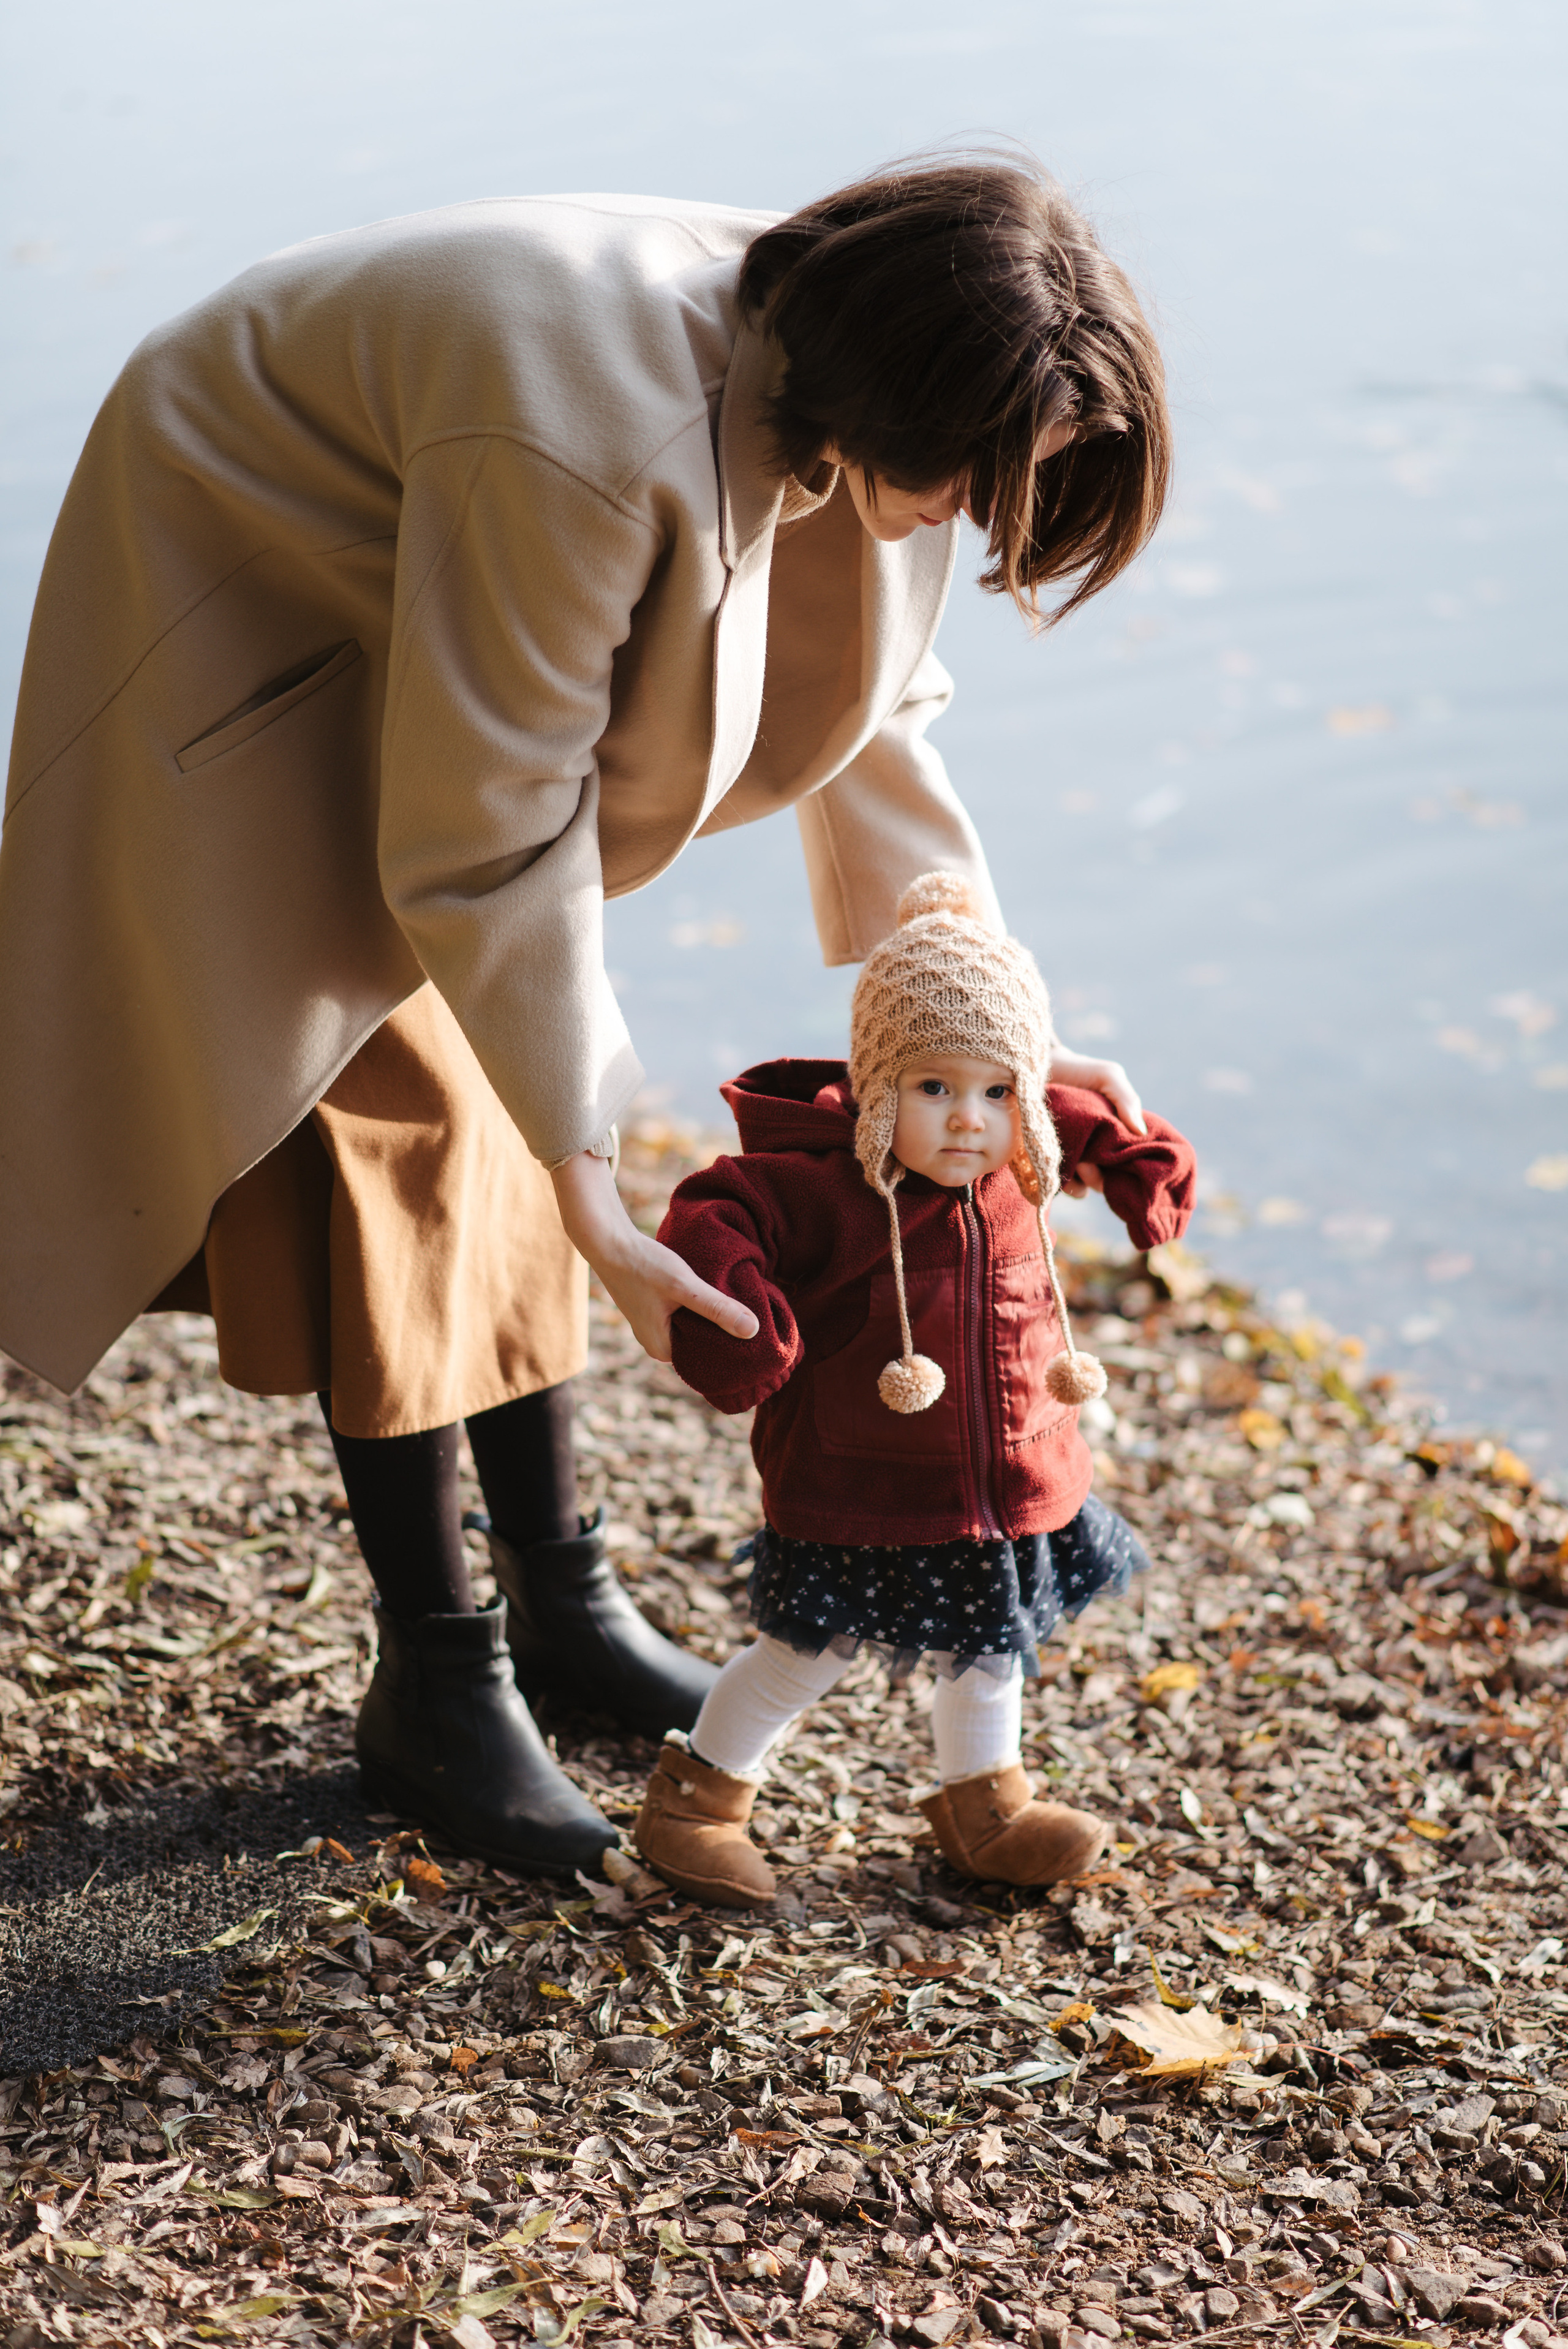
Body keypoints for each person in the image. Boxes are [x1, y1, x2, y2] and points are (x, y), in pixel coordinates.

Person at [0, 159, 1170, 1877]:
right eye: (975, 487)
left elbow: (884, 721)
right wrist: (589, 1169)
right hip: (253, 563)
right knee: (399, 1122)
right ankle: (440, 1671)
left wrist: (994, 1031)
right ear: (899, 399)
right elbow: (489, 833)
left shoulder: (869, 375)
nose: (973, 528)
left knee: (527, 1093)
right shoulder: (582, 425)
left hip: (449, 540)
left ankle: (563, 1594)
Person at [633, 874, 1196, 1908]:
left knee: (993, 1648)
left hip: (1004, 1474)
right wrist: (741, 1300)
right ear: (879, 1083)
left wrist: (1136, 1162)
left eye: (994, 1091)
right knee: (804, 1654)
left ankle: (986, 1804)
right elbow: (717, 1209)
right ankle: (696, 1800)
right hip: (861, 1483)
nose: (969, 1121)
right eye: (934, 1089)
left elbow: (1086, 1116)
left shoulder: (1021, 1150)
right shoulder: (827, 1184)